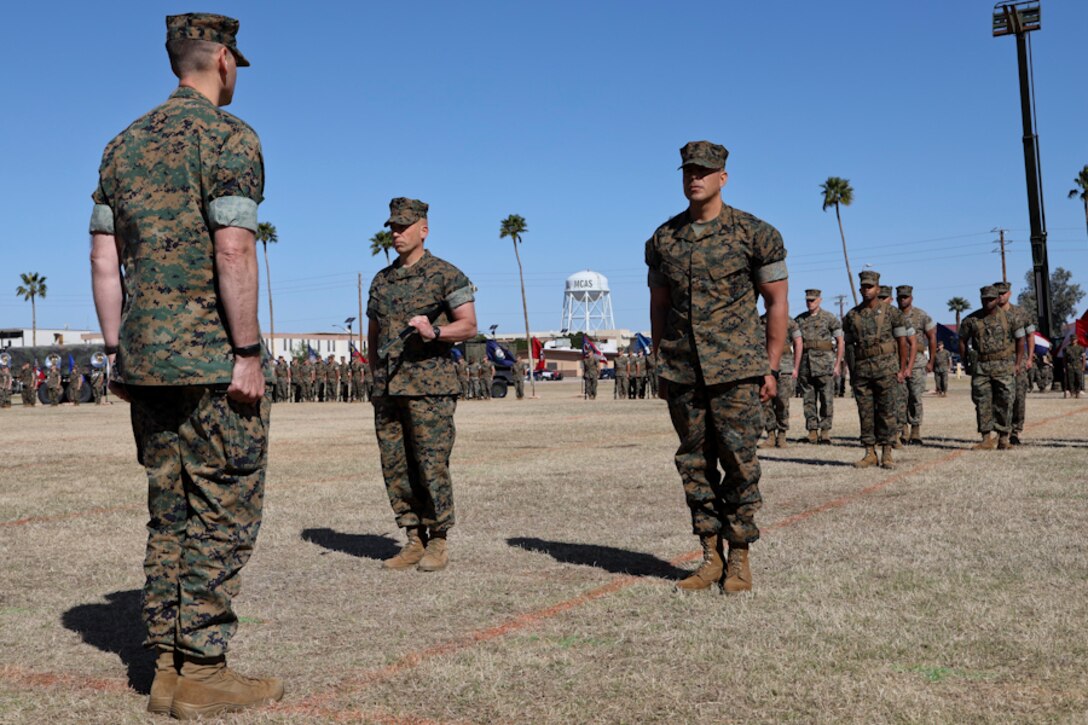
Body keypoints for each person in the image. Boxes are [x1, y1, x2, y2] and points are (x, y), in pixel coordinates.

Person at [88, 13, 282, 718]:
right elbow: (233, 249)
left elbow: (103, 260)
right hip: (210, 364)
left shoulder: (121, 145)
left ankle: (165, 664)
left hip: (143, 361)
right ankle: (203, 667)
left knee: (168, 513)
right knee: (224, 512)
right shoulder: (229, 138)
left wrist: (114, 349)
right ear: (223, 59)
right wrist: (248, 351)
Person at [646, 140, 788, 594]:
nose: (695, 177)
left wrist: (770, 366)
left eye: (704, 171)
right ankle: (710, 556)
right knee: (694, 464)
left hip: (738, 371)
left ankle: (740, 557)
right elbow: (659, 306)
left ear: (722, 177)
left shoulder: (756, 234)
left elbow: (777, 303)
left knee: (740, 463)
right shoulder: (663, 239)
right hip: (684, 371)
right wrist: (660, 363)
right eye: (688, 170)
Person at [368, 197, 477, 573]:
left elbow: (469, 325)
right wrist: (374, 378)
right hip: (388, 388)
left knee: (431, 465)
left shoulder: (446, 274)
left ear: (423, 230)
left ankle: (439, 540)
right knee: (396, 467)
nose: (396, 233)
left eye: (403, 227)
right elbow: (374, 334)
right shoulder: (382, 281)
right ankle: (413, 539)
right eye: (393, 228)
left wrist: (436, 332)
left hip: (430, 387)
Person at [843, 272, 911, 468]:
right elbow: (849, 346)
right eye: (864, 287)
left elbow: (902, 342)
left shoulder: (892, 313)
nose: (867, 290)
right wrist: (852, 371)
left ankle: (887, 453)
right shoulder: (852, 316)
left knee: (887, 412)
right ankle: (869, 452)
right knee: (865, 413)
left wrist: (902, 368)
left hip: (886, 369)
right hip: (862, 371)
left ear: (878, 289)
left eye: (870, 287)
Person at [958, 286, 1023, 449]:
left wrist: (1017, 363)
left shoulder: (1011, 318)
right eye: (984, 299)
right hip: (981, 368)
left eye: (991, 299)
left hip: (1004, 366)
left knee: (1005, 402)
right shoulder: (971, 320)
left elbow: (1020, 340)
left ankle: (1003, 438)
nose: (987, 302)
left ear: (997, 299)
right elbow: (962, 341)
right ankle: (986, 438)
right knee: (982, 402)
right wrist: (966, 363)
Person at [795, 289, 843, 443]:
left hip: (824, 364)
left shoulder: (830, 318)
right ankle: (812, 431)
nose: (810, 303)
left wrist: (837, 364)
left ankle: (825, 431)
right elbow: (797, 344)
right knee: (808, 399)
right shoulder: (800, 320)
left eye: (813, 300)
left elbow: (840, 342)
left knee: (826, 399)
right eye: (808, 300)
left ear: (820, 300)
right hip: (806, 364)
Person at [895, 286, 936, 445]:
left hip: (917, 362)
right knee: (900, 397)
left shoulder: (921, 316)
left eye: (905, 297)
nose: (903, 300)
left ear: (911, 298)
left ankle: (916, 431)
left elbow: (932, 337)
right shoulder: (893, 315)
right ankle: (903, 430)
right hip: (898, 362)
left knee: (915, 396)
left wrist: (931, 360)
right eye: (900, 297)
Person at [995, 281, 1034, 444]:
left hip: (1018, 359)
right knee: (999, 397)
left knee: (1018, 396)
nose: (1000, 296)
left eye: (1003, 293)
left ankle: (1016, 431)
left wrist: (1030, 357)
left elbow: (1030, 335)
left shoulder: (1021, 313)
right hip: (998, 361)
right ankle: (1001, 430)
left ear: (1009, 294)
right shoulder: (990, 314)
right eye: (998, 293)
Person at [758, 311, 802, 448]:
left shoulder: (789, 321)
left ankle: (782, 434)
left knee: (782, 401)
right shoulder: (759, 322)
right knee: (766, 402)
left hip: (785, 367)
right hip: (765, 368)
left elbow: (798, 343)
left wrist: (796, 367)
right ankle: (770, 435)